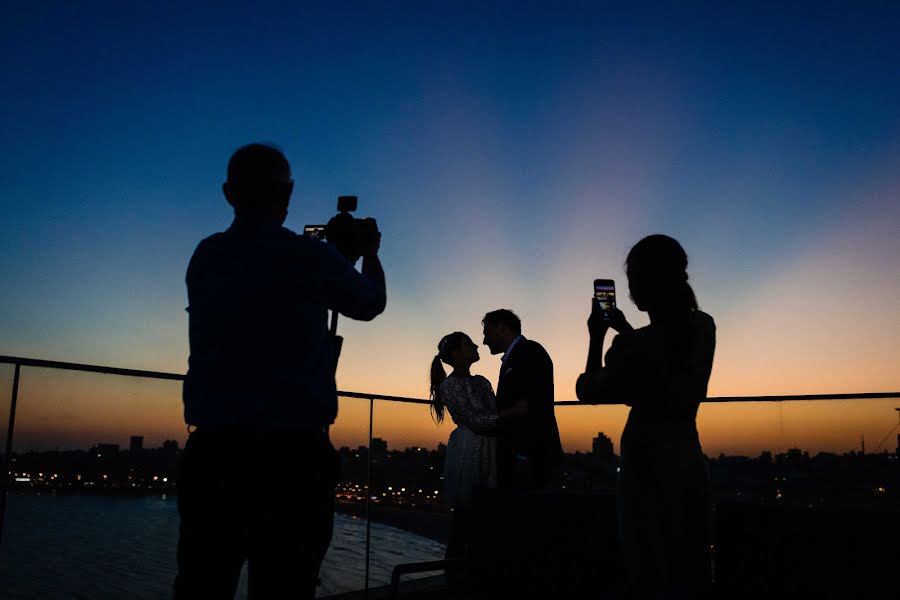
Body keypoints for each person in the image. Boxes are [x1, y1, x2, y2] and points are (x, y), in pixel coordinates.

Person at [175, 143, 386, 599]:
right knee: (286, 586)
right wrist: (366, 253)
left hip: (214, 452)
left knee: (203, 583)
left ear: (228, 193)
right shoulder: (310, 259)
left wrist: (333, 258)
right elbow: (368, 303)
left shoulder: (206, 256)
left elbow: (261, 299)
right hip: (292, 460)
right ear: (286, 194)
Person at [576, 234, 715, 599]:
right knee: (688, 564)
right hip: (688, 455)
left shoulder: (629, 347)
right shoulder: (704, 328)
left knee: (647, 567)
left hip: (644, 463)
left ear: (638, 285)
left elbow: (589, 390)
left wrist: (597, 335)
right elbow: (663, 353)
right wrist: (624, 331)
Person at [429, 332, 526, 560]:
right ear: (455, 353)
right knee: (465, 519)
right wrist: (515, 412)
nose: (475, 346)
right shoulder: (449, 385)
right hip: (469, 451)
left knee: (483, 516)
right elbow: (475, 421)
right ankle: (457, 577)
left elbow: (489, 416)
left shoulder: (482, 381)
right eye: (468, 343)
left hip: (489, 448)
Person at [482, 309, 563, 490]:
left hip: (531, 458)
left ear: (502, 328)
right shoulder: (519, 355)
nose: (484, 340)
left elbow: (534, 407)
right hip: (522, 457)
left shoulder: (530, 352)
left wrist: (523, 456)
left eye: (487, 333)